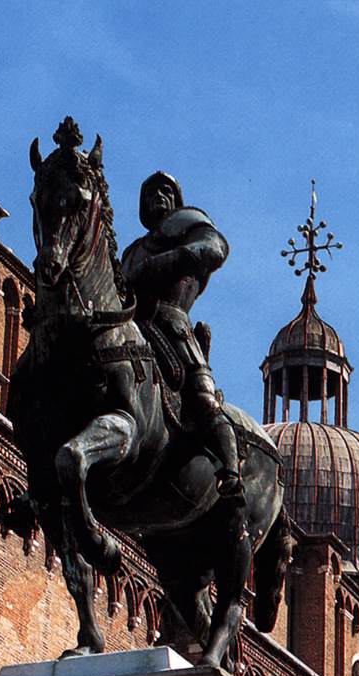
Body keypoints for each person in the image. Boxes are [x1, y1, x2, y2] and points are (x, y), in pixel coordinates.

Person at [121, 171, 243, 499]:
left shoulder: (189, 223)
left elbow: (214, 248)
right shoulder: (132, 252)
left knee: (201, 396)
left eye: (165, 191)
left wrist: (168, 262)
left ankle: (230, 467)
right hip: (133, 323)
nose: (157, 197)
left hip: (172, 324)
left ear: (176, 199)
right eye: (150, 194)